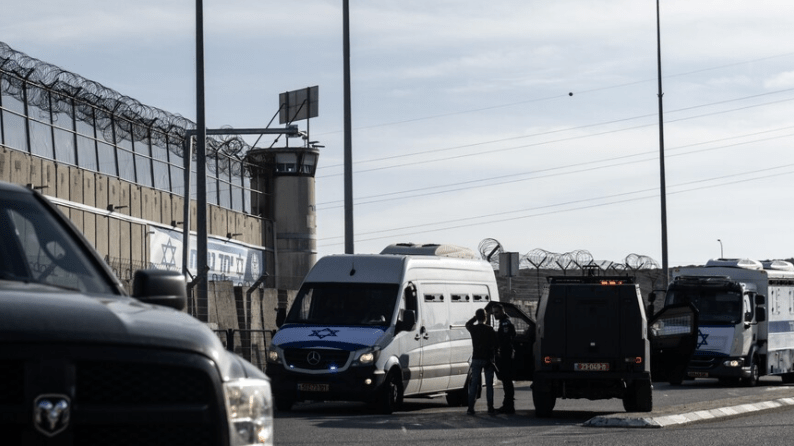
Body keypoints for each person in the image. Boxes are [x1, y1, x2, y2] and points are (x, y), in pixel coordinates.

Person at [465, 308, 497, 415]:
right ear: (485, 317)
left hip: (476, 358)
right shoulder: (490, 329)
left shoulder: (473, 329)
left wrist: (475, 317)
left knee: (474, 384)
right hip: (487, 360)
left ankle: (470, 408)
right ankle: (490, 407)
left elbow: (467, 324)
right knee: (489, 385)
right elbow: (494, 345)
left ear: (477, 317)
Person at [492, 303, 516, 414]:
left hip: (506, 355)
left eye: (497, 312)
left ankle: (508, 405)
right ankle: (508, 404)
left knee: (507, 381)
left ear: (502, 311)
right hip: (506, 354)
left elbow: (506, 339)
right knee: (507, 381)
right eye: (493, 313)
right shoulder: (504, 322)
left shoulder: (505, 323)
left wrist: (499, 349)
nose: (495, 315)